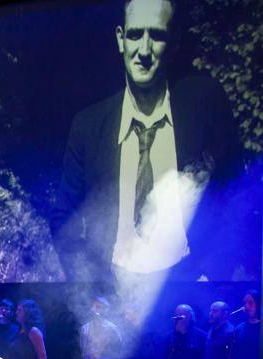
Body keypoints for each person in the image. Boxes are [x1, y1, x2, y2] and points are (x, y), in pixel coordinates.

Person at [50, 0, 243, 282]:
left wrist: (211, 276)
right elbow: (63, 216)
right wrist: (89, 286)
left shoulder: (204, 106)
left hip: (187, 288)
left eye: (157, 35)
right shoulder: (89, 125)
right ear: (120, 39)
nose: (144, 50)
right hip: (110, 291)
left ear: (173, 41)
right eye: (135, 34)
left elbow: (235, 195)